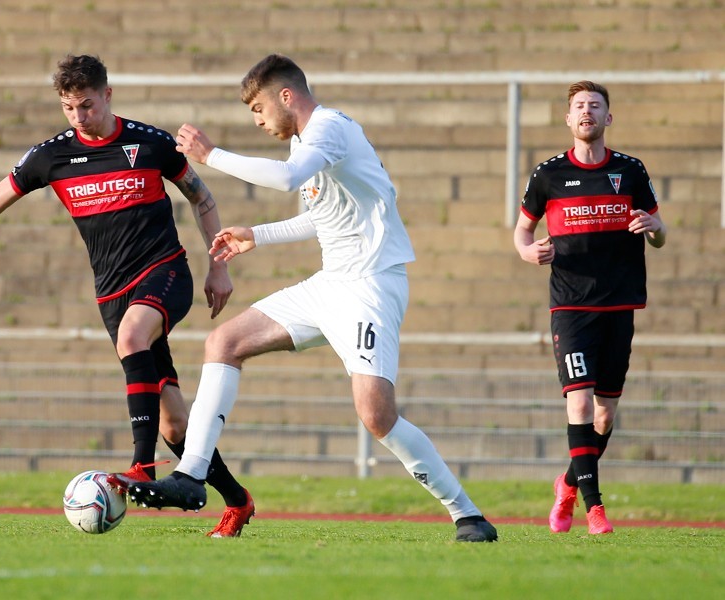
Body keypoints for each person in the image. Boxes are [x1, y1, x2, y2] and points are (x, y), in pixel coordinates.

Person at [127, 53, 498, 543]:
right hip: (329, 284)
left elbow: (285, 179)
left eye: (258, 109)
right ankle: (191, 476)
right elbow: (314, 217)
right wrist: (256, 234)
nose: (258, 121)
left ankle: (467, 514)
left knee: (377, 415)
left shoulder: (331, 129)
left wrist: (211, 156)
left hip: (370, 285)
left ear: (286, 96)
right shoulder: (308, 142)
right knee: (224, 341)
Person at [0, 54, 255, 538]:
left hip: (165, 273)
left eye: (86, 105)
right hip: (112, 292)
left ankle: (141, 468)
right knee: (174, 423)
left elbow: (201, 197)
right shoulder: (51, 156)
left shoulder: (149, 143)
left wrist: (218, 268)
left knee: (134, 335)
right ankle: (237, 500)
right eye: (69, 108)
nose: (79, 117)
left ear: (108, 95)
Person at [513, 81, 667, 535]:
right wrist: (527, 252)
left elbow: (658, 233)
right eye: (579, 106)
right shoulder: (548, 174)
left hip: (620, 303)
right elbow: (521, 233)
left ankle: (567, 484)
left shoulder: (631, 171)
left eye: (595, 106)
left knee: (605, 415)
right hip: (571, 306)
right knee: (578, 404)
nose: (587, 112)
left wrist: (654, 226)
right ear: (568, 119)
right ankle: (595, 509)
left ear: (607, 118)